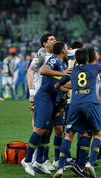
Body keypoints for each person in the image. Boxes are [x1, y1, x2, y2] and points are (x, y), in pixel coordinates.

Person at [53, 48, 101, 178]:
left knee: (68, 135)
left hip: (75, 104)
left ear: (76, 59)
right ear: (87, 58)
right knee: (98, 133)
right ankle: (90, 163)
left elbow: (57, 85)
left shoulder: (72, 71)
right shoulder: (94, 67)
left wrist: (70, 87)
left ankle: (60, 168)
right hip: (90, 103)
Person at [22, 41, 70, 176]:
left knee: (47, 130)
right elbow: (43, 70)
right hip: (44, 98)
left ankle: (40, 161)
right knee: (40, 129)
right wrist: (64, 74)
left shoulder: (62, 63)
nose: (67, 50)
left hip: (53, 99)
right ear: (62, 50)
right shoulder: (54, 59)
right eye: (66, 48)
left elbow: (57, 84)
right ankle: (27, 160)